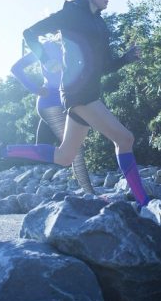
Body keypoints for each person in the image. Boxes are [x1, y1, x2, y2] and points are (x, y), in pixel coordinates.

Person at [0, 0, 149, 207]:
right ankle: (144, 203)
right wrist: (46, 59)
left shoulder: (100, 24)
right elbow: (29, 33)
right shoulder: (70, 14)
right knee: (125, 138)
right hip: (79, 92)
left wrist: (127, 58)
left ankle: (4, 151)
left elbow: (105, 66)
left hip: (88, 91)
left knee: (65, 156)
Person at [10, 38, 96, 194]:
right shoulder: (47, 48)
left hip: (67, 101)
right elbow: (16, 69)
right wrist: (35, 89)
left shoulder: (75, 46)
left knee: (68, 151)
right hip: (50, 102)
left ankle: (2, 150)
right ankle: (90, 194)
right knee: (74, 150)